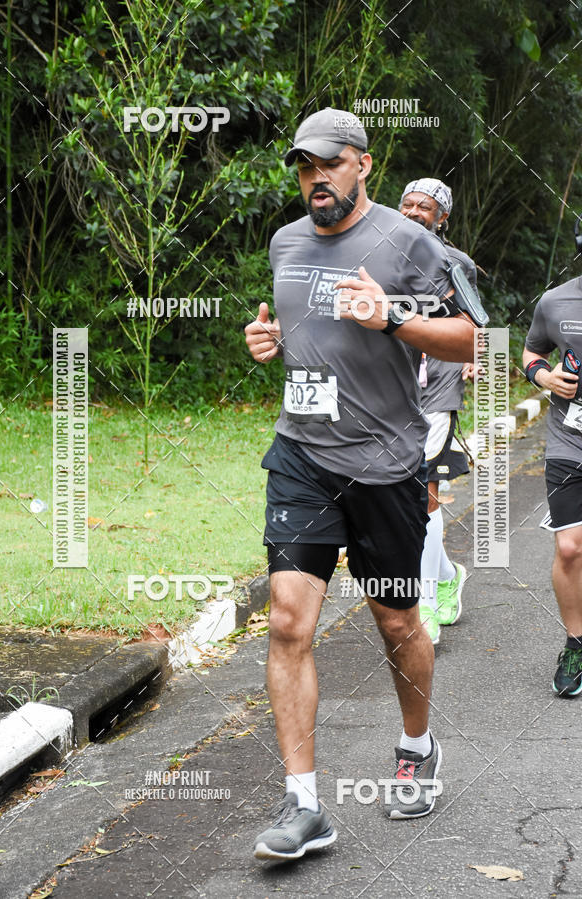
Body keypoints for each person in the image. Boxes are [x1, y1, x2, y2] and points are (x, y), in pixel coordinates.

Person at [245, 107, 476, 862]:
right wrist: (269, 343)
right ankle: (305, 802)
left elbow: (469, 336)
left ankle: (417, 744)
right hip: (302, 454)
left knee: (396, 622)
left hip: (383, 464)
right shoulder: (284, 242)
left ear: (362, 164)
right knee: (286, 620)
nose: (315, 179)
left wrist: (394, 319)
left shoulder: (410, 241)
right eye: (305, 168)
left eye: (329, 164)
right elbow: (300, 335)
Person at [398, 179, 481, 643]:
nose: (412, 211)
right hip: (390, 388)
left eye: (424, 207)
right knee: (399, 495)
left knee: (421, 491)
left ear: (441, 217)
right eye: (407, 203)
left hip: (438, 386)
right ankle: (448, 573)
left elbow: (477, 321)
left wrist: (472, 357)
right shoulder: (379, 252)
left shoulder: (456, 263)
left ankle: (424, 602)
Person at [523, 256, 582, 697]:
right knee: (568, 548)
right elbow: (531, 352)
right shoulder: (556, 300)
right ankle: (576, 644)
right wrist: (545, 377)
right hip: (570, 441)